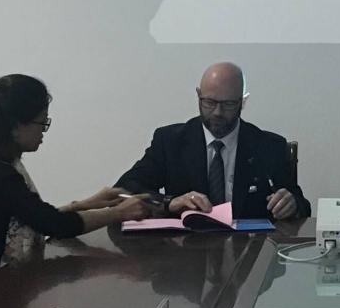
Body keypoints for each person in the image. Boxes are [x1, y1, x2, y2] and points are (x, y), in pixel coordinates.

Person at [0, 74, 149, 286]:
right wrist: (118, 213)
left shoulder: (7, 166)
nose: (43, 131)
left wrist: (85, 204)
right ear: (15, 126)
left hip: (13, 284)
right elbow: (53, 224)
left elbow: (33, 215)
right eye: (42, 122)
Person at [115, 62, 310, 220]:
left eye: (228, 104)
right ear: (198, 96)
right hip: (186, 248)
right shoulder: (170, 142)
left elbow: (302, 206)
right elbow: (123, 190)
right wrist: (169, 202)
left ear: (243, 101)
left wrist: (292, 205)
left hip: (249, 248)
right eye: (209, 102)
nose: (217, 112)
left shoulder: (269, 146)